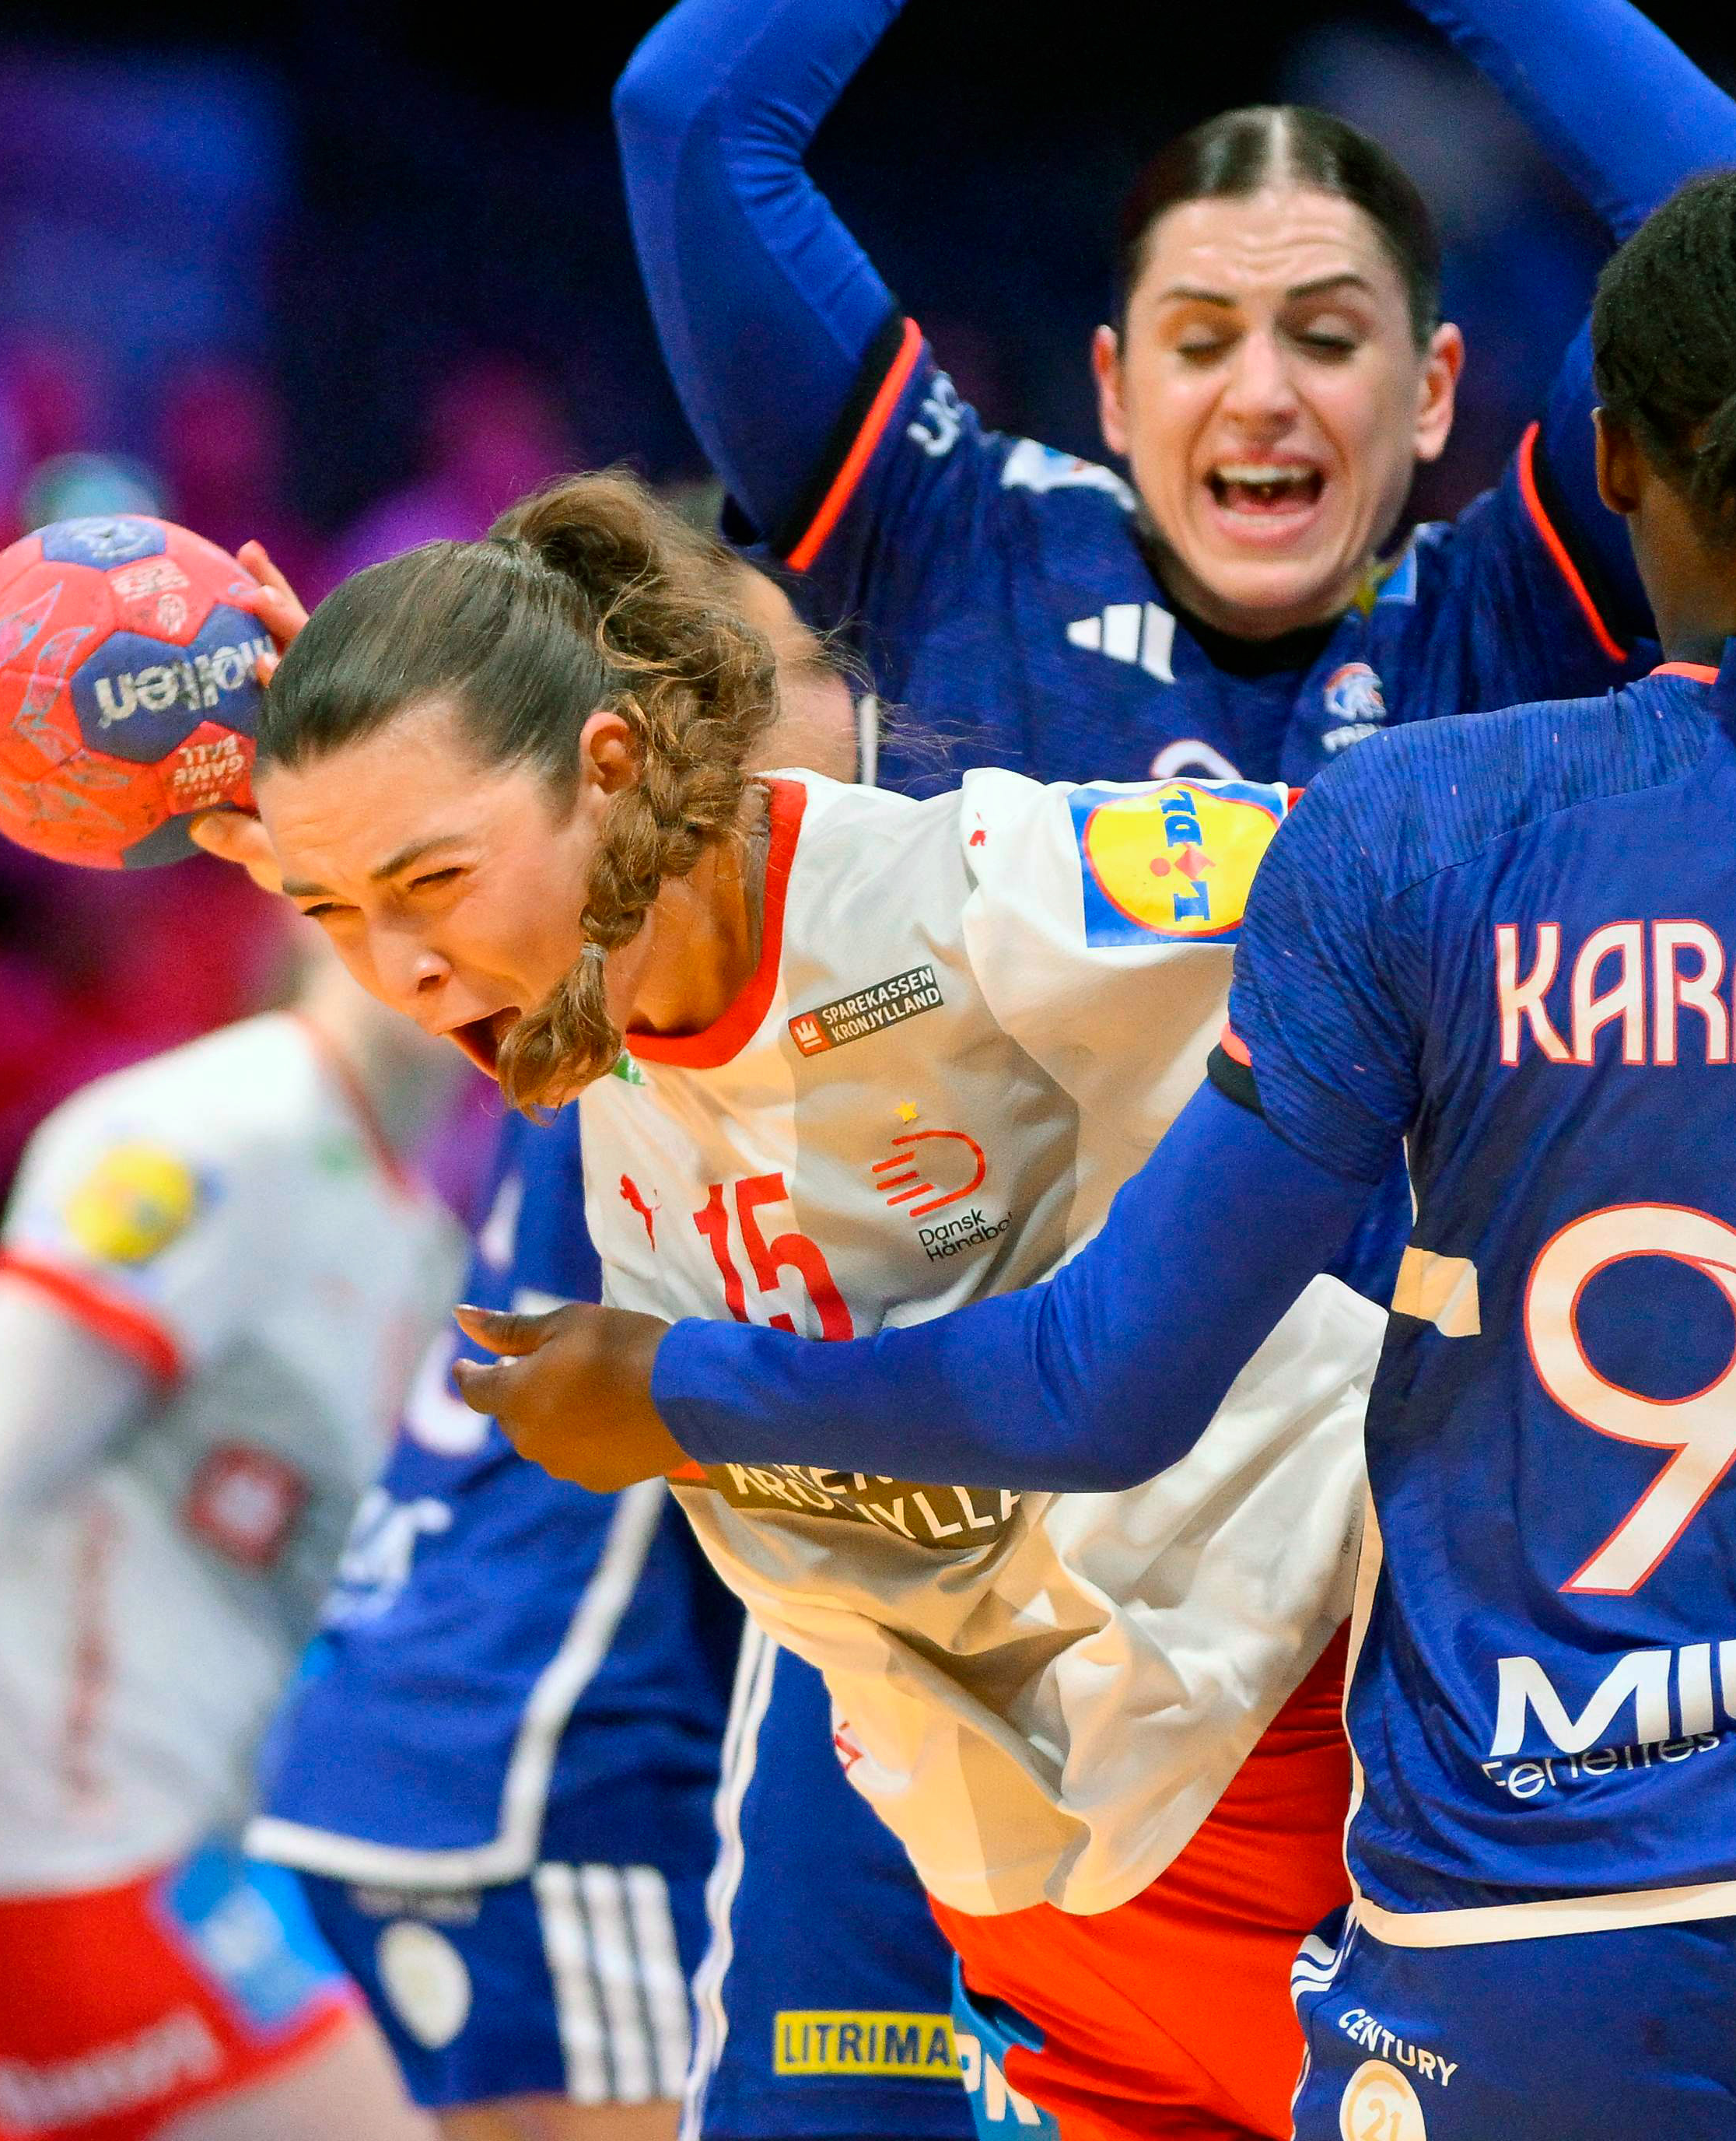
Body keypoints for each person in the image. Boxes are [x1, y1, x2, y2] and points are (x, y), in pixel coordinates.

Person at [464, 159, 1736, 2141]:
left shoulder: (1410, 831)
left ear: (1609, 459)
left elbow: (1096, 1389)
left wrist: (683, 1386)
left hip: (1510, 1939)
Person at [247, 469, 1383, 2141]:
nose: (398, 971)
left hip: (1289, 1759)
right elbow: (450, 818)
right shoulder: (589, 1002)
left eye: (430, 881)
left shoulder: (966, 887)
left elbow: (1396, 874)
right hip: (1026, 1888)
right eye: (331, 913)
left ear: (608, 774)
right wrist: (364, 758)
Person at [222, 512, 944, 2141]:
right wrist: (374, 742)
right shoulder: (627, 1008)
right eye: (756, 676)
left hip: (438, 1719)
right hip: (540, 1750)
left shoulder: (591, 1002)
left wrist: (353, 732)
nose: (799, 715)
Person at [611, 0, 1736, 793]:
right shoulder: (951, 544)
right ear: (1115, 389)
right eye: (1201, 343)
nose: (1261, 394)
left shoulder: (1509, 616)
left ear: (1431, 389)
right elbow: (688, 120)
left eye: (1326, 338)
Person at [0, 959, 467, 2141]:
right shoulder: (206, 1136)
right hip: (27, 1896)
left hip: (135, 1878)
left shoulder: (426, 1243)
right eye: (404, 883)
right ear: (305, 894)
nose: (440, 946)